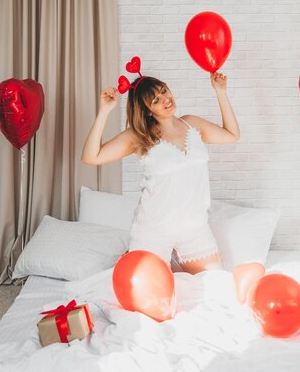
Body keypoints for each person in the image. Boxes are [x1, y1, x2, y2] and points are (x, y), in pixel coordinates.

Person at [81, 70, 240, 275]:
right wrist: (104, 111)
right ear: (147, 110)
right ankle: (138, 260)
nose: (166, 99)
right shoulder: (139, 136)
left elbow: (232, 135)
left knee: (215, 286)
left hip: (194, 229)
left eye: (164, 91)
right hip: (153, 232)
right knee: (151, 298)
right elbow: (90, 157)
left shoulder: (191, 123)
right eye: (156, 100)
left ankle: (161, 265)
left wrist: (220, 92)